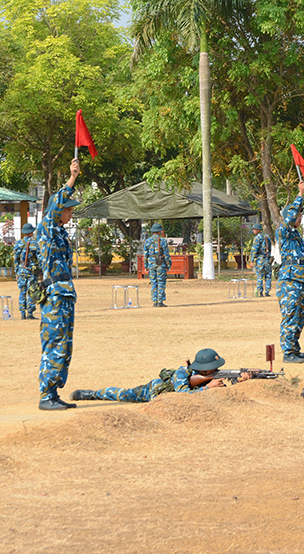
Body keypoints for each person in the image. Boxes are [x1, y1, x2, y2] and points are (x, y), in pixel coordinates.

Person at [35, 158, 81, 411]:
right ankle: (46, 395)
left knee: (64, 346)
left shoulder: (60, 233)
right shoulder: (49, 228)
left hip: (63, 295)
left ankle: (52, 393)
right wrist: (72, 177)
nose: (70, 213)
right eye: (69, 209)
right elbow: (54, 206)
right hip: (55, 296)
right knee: (56, 344)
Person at [69, 348, 245, 403]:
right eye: (212, 368)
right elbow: (182, 396)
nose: (215, 371)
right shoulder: (183, 373)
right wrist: (207, 387)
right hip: (152, 392)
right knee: (122, 394)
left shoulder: (208, 376)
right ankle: (92, 394)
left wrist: (244, 383)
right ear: (204, 369)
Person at [277, 181, 304, 363]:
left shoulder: (296, 236)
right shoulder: (283, 231)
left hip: (300, 281)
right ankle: (288, 353)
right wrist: (300, 194)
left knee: (299, 317)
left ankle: (295, 350)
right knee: (290, 316)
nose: (299, 218)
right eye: (297, 215)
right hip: (289, 281)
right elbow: (289, 219)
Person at [13, 222, 39, 320]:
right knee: (32, 291)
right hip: (31, 271)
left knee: (22, 292)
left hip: (21, 271)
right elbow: (39, 259)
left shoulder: (18, 244)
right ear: (31, 232)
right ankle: (30, 313)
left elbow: (15, 259)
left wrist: (16, 272)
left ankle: (22, 313)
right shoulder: (35, 244)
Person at [143, 222, 172, 307]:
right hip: (160, 264)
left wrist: (146, 266)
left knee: (153, 282)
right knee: (161, 282)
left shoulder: (147, 241)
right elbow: (166, 255)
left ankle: (154, 301)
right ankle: (160, 301)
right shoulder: (163, 241)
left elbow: (145, 255)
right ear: (159, 231)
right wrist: (168, 265)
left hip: (151, 264)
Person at [250, 222, 272, 297]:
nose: (253, 231)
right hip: (267, 258)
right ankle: (267, 292)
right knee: (268, 276)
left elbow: (254, 250)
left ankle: (260, 293)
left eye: (254, 229)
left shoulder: (257, 238)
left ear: (258, 230)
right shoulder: (267, 237)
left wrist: (252, 260)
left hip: (260, 259)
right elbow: (270, 247)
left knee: (260, 276)